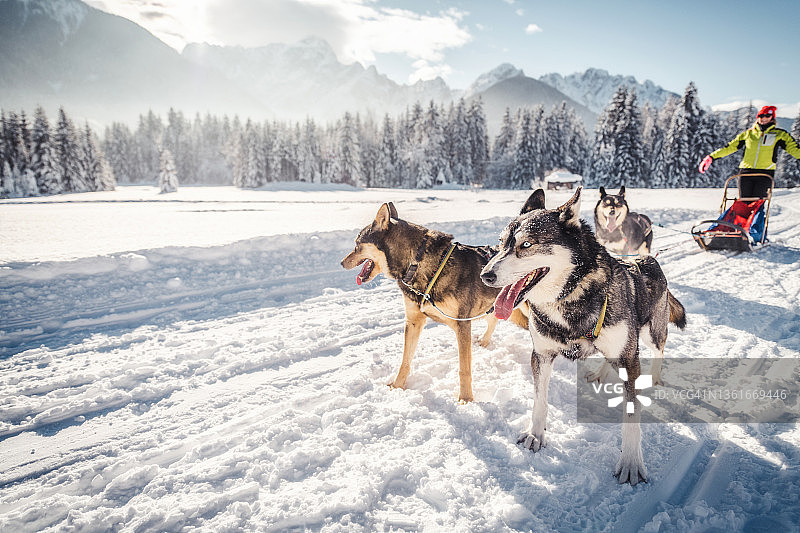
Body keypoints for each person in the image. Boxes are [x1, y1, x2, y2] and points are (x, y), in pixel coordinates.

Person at [699, 105, 800, 180]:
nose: (764, 118)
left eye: (767, 115)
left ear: (772, 117)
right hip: (746, 172)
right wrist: (711, 157)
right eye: (761, 115)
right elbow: (729, 147)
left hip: (765, 173)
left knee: (759, 200)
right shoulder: (748, 134)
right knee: (744, 201)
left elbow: (794, 150)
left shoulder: (780, 135)